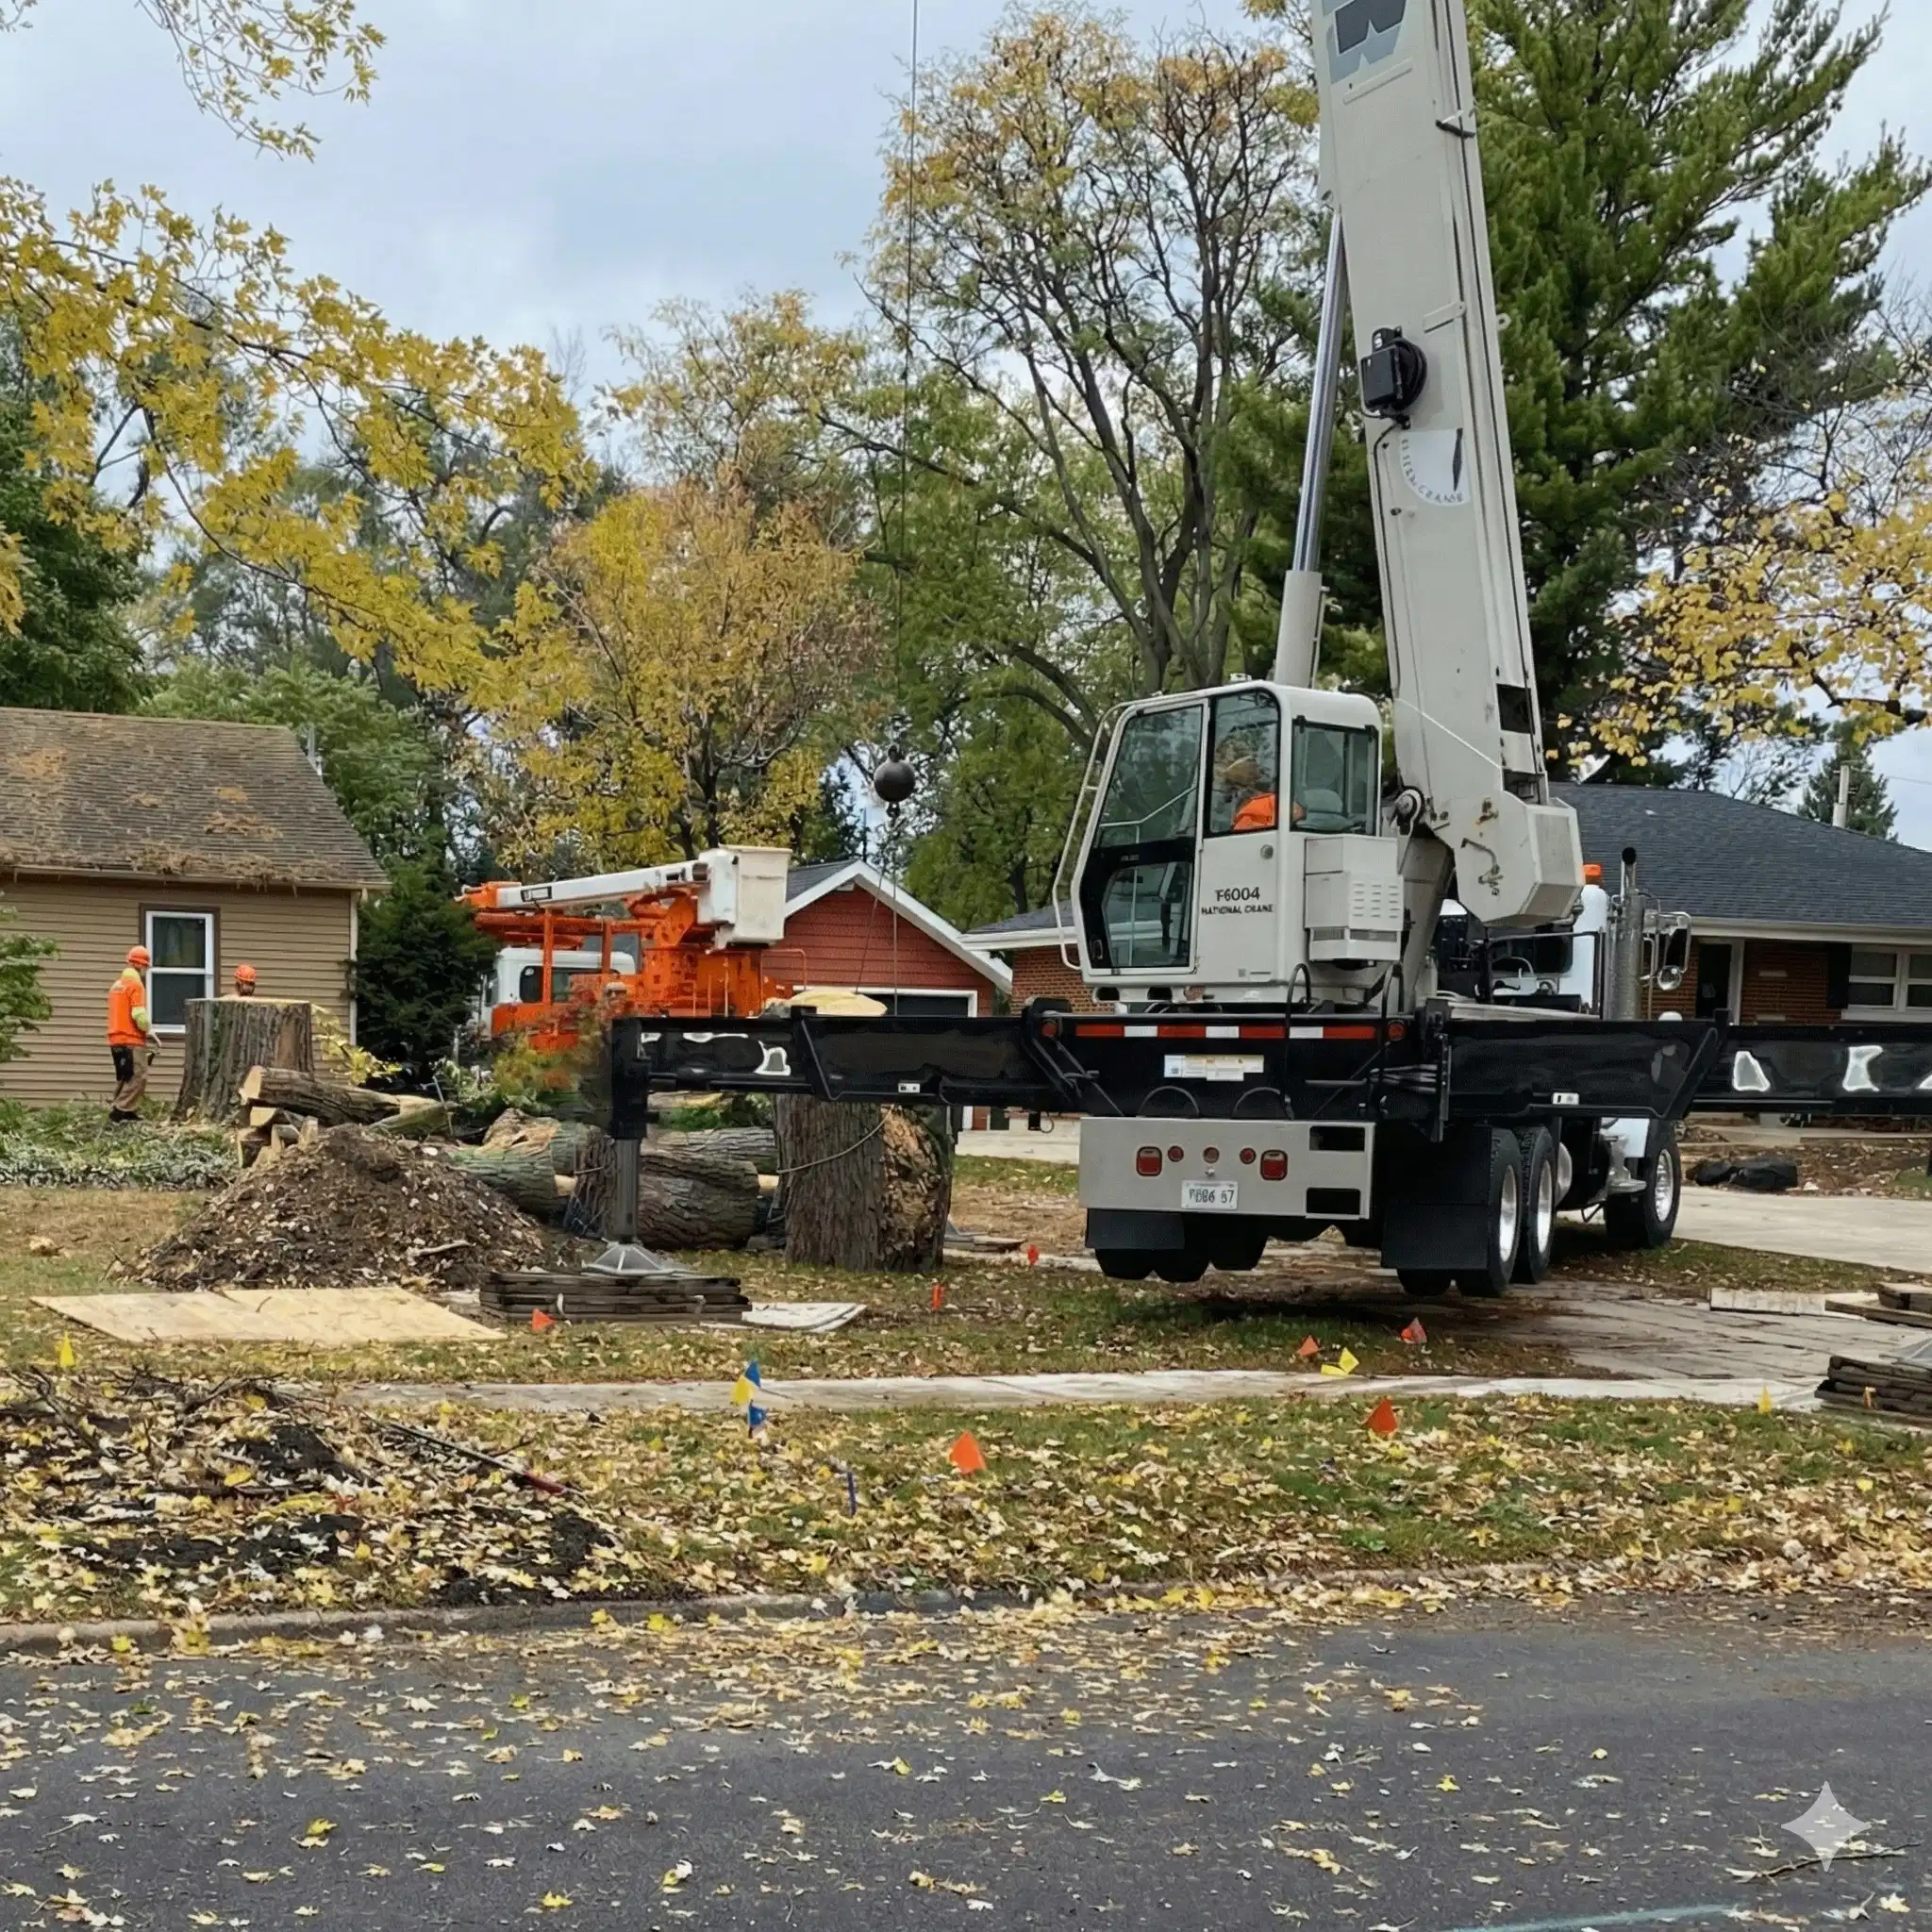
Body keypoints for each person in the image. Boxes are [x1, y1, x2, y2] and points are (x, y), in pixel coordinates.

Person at [107, 945, 158, 1123]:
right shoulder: (136, 985)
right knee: (139, 1076)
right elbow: (139, 1015)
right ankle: (120, 1111)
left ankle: (126, 1111)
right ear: (140, 966)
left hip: (115, 1039)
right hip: (131, 1039)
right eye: (145, 967)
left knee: (125, 1076)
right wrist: (149, 1030)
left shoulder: (116, 985)